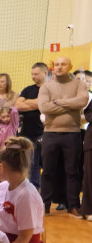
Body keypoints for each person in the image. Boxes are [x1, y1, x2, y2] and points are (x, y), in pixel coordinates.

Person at [38, 56, 86, 217]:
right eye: (57, 64)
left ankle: (73, 205)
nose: (59, 67)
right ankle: (44, 205)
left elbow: (82, 101)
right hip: (50, 133)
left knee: (72, 171)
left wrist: (57, 102)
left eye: (63, 64)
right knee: (47, 171)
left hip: (72, 134)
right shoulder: (46, 86)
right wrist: (70, 104)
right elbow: (44, 108)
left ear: (70, 66)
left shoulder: (79, 84)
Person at [14, 62, 47, 188]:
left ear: (45, 73)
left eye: (36, 74)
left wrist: (27, 102)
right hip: (27, 133)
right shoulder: (27, 90)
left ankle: (46, 190)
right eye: (32, 74)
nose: (33, 76)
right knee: (31, 163)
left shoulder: (49, 88)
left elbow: (46, 104)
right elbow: (18, 105)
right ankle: (32, 188)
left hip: (44, 132)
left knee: (45, 162)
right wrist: (38, 104)